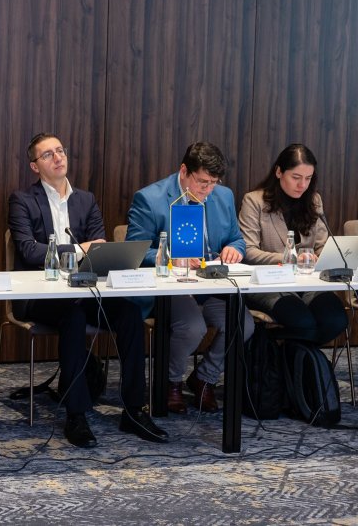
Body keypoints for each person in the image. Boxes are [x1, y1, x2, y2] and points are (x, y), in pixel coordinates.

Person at [9, 133, 166, 447]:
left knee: (130, 313)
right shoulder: (22, 200)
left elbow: (100, 245)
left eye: (60, 151)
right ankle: (76, 414)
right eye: (48, 154)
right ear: (34, 166)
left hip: (84, 288)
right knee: (74, 316)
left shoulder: (86, 199)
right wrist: (80, 248)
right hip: (41, 294)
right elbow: (29, 250)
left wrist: (90, 250)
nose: (58, 157)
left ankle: (134, 409)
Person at [126, 142, 255, 413]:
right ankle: (170, 382)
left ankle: (204, 378)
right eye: (202, 182)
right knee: (193, 327)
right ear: (184, 171)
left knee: (243, 323)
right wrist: (171, 258)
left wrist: (235, 249)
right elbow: (135, 251)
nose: (207, 190)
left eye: (213, 183)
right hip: (171, 288)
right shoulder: (150, 199)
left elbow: (236, 239)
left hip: (210, 283)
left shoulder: (224, 196)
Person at [239, 144, 347, 344]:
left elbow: (321, 245)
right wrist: (291, 259)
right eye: (296, 177)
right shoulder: (254, 201)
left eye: (308, 178)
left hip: (308, 282)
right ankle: (288, 359)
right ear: (279, 172)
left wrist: (325, 256)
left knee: (336, 321)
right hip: (270, 283)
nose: (302, 185)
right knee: (303, 323)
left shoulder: (314, 200)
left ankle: (293, 359)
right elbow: (248, 251)